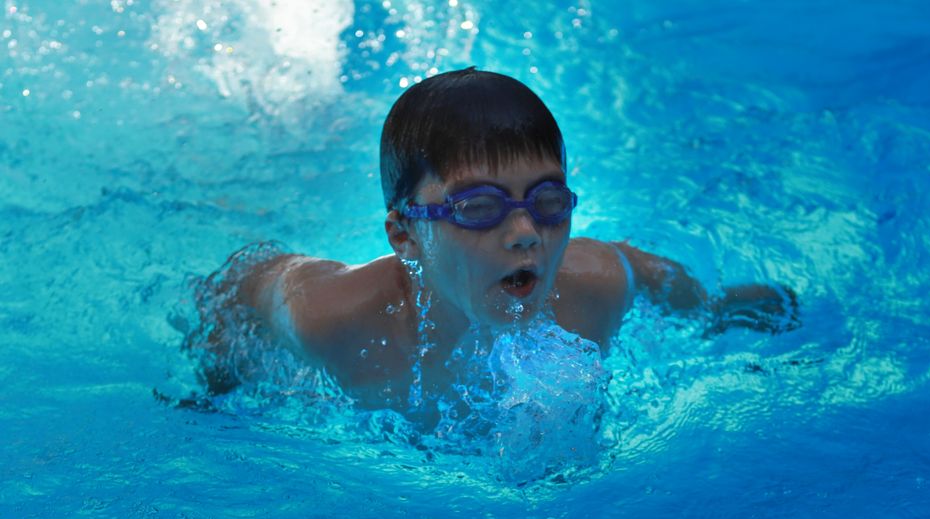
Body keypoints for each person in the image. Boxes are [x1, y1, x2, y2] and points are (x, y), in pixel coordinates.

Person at [191, 68, 797, 413]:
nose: (527, 233)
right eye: (479, 208)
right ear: (404, 232)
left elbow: (647, 274)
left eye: (548, 201)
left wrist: (716, 309)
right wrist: (216, 383)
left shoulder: (594, 289)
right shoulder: (332, 319)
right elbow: (244, 283)